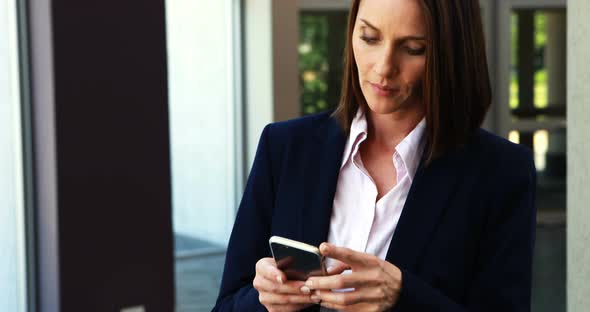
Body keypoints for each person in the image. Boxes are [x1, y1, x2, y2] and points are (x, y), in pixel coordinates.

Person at [213, 0, 536, 311]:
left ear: (450, 53)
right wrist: (263, 301)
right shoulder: (284, 148)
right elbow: (227, 306)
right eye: (369, 37)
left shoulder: (501, 173)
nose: (384, 68)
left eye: (413, 48)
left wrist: (402, 295)